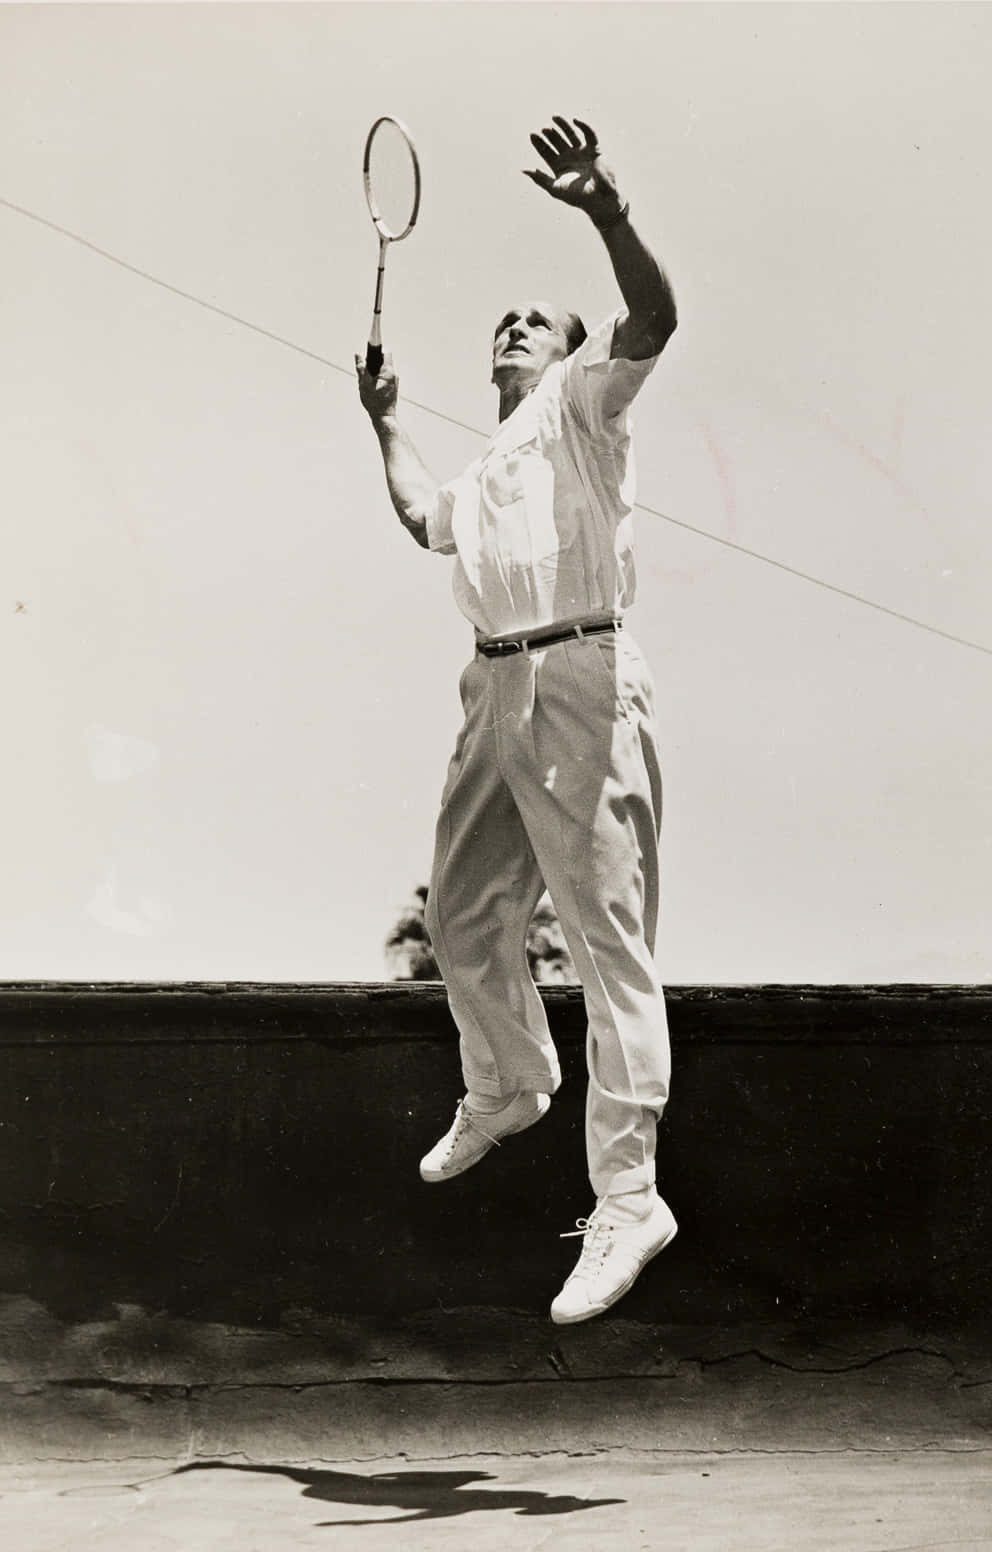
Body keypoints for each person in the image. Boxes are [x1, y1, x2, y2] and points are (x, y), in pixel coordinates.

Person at [356, 116, 678, 1325]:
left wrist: (605, 210)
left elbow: (656, 320)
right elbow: (417, 520)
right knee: (460, 910)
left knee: (604, 944)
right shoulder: (488, 466)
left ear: (570, 351)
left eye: (536, 319)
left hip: (584, 679)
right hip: (491, 687)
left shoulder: (585, 409)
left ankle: (631, 1196)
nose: (514, 326)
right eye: (505, 320)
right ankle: (507, 1083)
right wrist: (384, 417)